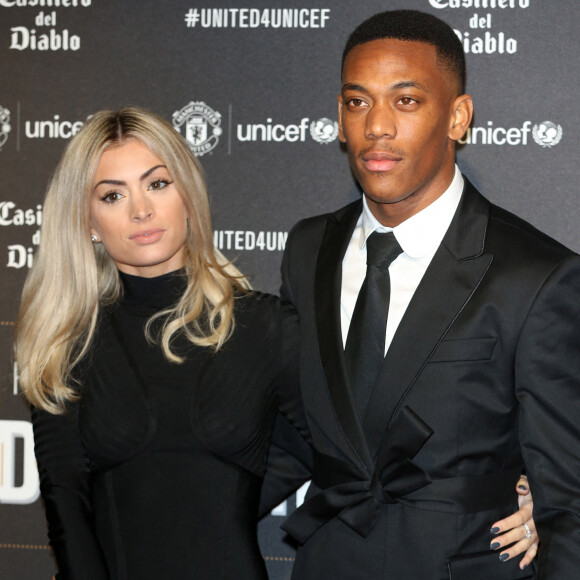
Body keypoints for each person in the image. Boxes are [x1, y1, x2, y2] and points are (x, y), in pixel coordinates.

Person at [274, 9, 580, 579]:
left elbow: (569, 500)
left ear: (458, 117)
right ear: (339, 117)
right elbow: (293, 431)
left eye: (406, 101)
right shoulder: (308, 248)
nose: (377, 127)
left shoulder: (535, 276)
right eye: (358, 102)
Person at [14, 107, 304, 580]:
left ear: (186, 195)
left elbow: (338, 455)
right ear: (88, 221)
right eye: (112, 195)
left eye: (157, 184)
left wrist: (227, 496)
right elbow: (69, 519)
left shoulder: (263, 326)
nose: (140, 210)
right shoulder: (67, 345)